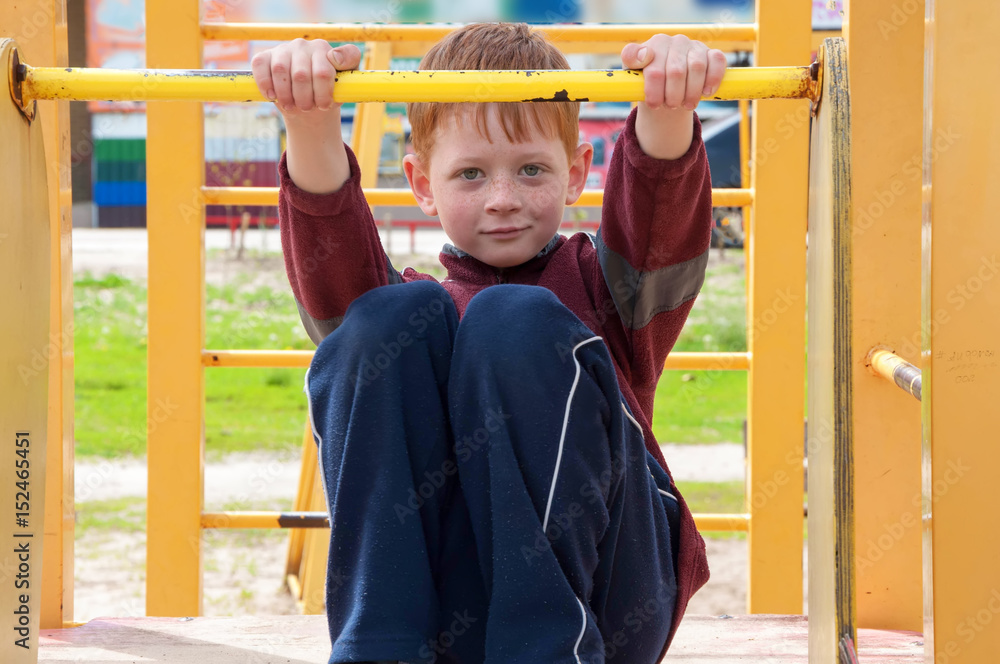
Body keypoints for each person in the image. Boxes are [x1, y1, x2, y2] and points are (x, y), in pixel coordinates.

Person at [252, 23, 724, 664]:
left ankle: (549, 652)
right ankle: (381, 648)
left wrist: (668, 104)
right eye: (470, 174)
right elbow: (337, 281)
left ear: (576, 172)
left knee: (512, 318)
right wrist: (308, 120)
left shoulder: (611, 295)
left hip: (605, 602)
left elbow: (658, 222)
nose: (503, 199)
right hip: (454, 614)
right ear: (422, 184)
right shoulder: (413, 327)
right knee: (382, 319)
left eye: (531, 170)